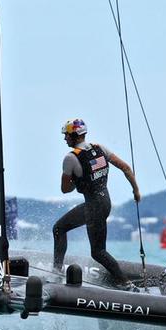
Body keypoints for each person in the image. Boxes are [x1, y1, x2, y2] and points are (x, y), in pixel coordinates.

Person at [52, 118, 141, 287]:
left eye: (66, 135)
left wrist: (76, 180)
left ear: (74, 135)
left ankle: (126, 282)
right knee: (62, 229)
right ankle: (125, 282)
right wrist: (136, 190)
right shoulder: (100, 149)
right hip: (105, 203)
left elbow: (65, 189)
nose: (64, 139)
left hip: (93, 206)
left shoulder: (70, 158)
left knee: (96, 251)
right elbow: (126, 168)